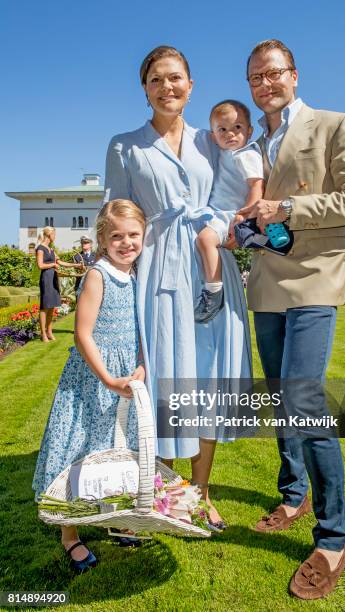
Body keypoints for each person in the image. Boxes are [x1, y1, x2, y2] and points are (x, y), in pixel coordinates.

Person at [240, 39, 345, 599]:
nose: (265, 83)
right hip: (267, 281)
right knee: (280, 396)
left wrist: (291, 207)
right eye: (256, 77)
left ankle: (333, 536)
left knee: (304, 398)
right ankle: (293, 493)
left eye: (274, 73)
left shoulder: (335, 124)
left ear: (293, 76)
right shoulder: (251, 142)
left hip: (317, 276)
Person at [104, 45, 252, 529]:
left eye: (176, 78)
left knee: (207, 378)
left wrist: (225, 228)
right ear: (144, 89)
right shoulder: (125, 145)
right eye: (156, 80)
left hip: (210, 267)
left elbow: (235, 195)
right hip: (158, 270)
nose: (167, 87)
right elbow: (118, 216)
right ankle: (159, 490)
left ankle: (202, 490)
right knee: (166, 377)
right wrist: (109, 276)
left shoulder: (214, 140)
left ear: (191, 85)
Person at [33, 199, 146, 571]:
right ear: (102, 238)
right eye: (117, 236)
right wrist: (108, 378)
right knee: (79, 449)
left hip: (125, 375)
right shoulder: (98, 274)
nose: (126, 243)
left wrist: (141, 364)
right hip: (93, 378)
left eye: (134, 235)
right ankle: (70, 535)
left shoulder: (136, 273)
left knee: (114, 450)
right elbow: (83, 335)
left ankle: (113, 517)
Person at [194, 100, 264, 322]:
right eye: (222, 129)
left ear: (249, 131)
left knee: (205, 240)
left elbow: (256, 185)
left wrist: (244, 217)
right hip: (217, 211)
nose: (230, 134)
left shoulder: (246, 154)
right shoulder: (224, 153)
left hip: (230, 214)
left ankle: (214, 291)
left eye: (237, 128)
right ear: (214, 136)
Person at [36, 227, 84, 343]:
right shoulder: (40, 249)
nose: (55, 237)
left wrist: (76, 265)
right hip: (46, 278)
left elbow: (61, 262)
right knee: (44, 307)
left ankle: (49, 331)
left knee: (51, 306)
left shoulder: (51, 250)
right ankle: (43, 334)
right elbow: (40, 265)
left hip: (53, 278)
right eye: (54, 235)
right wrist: (53, 264)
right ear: (49, 235)